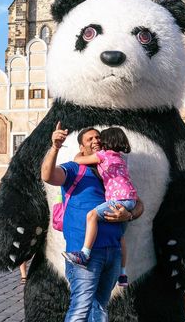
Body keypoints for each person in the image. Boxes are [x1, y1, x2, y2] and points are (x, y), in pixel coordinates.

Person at [41, 123, 143, 322]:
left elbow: (138, 203)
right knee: (80, 308)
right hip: (85, 254)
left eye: (98, 137)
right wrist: (55, 147)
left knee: (100, 308)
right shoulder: (74, 169)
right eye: (90, 139)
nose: (96, 141)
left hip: (113, 252)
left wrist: (128, 215)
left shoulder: (112, 168)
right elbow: (47, 175)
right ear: (82, 147)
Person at [63, 127, 137, 288]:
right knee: (120, 237)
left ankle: (84, 254)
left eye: (100, 139)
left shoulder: (103, 155)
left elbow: (78, 161)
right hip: (130, 199)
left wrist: (81, 153)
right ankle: (123, 274)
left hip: (119, 199)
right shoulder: (122, 158)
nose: (97, 142)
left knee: (92, 216)